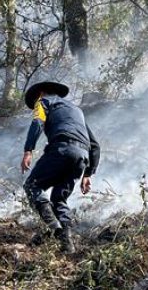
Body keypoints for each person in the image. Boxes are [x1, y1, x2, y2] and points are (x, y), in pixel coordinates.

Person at [20, 80, 100, 254]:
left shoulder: (43, 102)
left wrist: (28, 150)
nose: (35, 104)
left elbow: (38, 123)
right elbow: (94, 145)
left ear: (40, 93)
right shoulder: (76, 111)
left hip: (62, 149)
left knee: (32, 185)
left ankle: (54, 227)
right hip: (81, 157)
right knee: (59, 200)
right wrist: (88, 173)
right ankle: (67, 246)